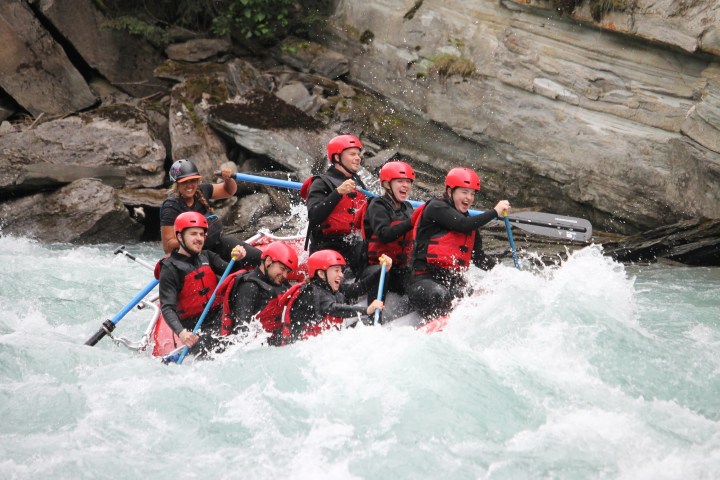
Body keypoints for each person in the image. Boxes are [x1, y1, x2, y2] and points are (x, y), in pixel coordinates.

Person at [407, 167, 511, 320]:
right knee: (439, 294)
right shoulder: (436, 208)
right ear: (450, 192)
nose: (468, 198)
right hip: (423, 281)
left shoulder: (470, 224)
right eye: (464, 192)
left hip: (450, 283)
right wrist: (494, 212)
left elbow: (478, 257)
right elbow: (463, 224)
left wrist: (505, 273)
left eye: (472, 193)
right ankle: (434, 324)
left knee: (480, 295)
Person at [158, 211, 251, 356]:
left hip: (219, 317)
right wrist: (182, 333)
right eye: (193, 234)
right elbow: (167, 307)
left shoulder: (206, 256)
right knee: (213, 348)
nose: (199, 239)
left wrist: (237, 258)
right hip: (195, 327)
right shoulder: (170, 269)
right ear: (179, 236)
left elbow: (231, 272)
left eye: (202, 234)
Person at [160, 158, 261, 264]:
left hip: (218, 243)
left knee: (258, 256)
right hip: (195, 253)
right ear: (177, 184)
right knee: (227, 269)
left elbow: (229, 191)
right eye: (185, 182)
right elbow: (168, 246)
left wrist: (227, 179)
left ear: (198, 181)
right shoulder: (171, 207)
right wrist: (197, 239)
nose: (189, 185)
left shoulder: (202, 190)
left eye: (193, 181)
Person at [285, 250, 391, 343]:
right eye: (336, 270)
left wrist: (382, 271)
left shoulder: (331, 289)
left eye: (341, 271)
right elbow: (334, 309)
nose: (341, 275)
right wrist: (366, 310)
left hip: (319, 342)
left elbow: (360, 287)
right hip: (301, 346)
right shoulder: (311, 293)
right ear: (321, 274)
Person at [302, 134, 368, 274]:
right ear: (337, 158)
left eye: (358, 154)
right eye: (352, 154)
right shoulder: (321, 182)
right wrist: (338, 193)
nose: (358, 158)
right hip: (326, 246)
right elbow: (314, 216)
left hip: (351, 245)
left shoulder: (359, 184)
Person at [359, 161, 415, 297]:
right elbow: (384, 234)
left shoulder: (407, 207)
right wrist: (411, 222)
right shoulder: (378, 205)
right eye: (400, 181)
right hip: (375, 268)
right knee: (381, 273)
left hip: (399, 268)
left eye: (408, 182)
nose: (405, 186)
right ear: (386, 184)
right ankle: (373, 316)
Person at [219, 242, 299, 336]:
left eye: (287, 271)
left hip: (274, 340)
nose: (285, 275)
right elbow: (241, 329)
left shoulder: (279, 282)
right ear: (269, 261)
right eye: (282, 269)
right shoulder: (248, 286)